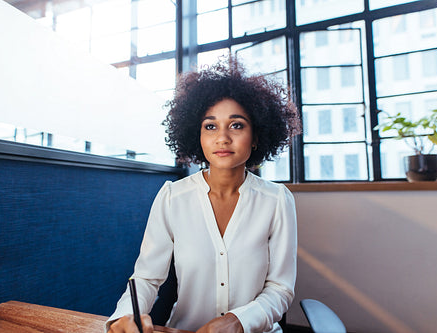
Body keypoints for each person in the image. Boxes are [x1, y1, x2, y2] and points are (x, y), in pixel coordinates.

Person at [106, 56, 300, 333]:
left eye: (236, 125)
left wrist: (238, 321)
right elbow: (146, 279)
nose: (222, 137)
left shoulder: (278, 200)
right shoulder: (172, 197)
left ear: (256, 136)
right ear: (197, 135)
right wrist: (124, 317)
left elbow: (280, 289)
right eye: (210, 126)